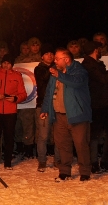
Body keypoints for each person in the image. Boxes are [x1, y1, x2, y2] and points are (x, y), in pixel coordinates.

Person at [40, 48, 93, 181]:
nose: (54, 60)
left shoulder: (80, 71)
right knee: (62, 144)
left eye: (57, 58)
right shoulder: (55, 73)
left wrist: (59, 75)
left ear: (67, 59)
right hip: (59, 116)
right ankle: (64, 170)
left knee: (81, 144)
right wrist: (45, 109)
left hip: (77, 115)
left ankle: (85, 171)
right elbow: (49, 92)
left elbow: (75, 82)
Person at [82, 41, 108, 173]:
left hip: (105, 104)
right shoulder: (89, 64)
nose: (101, 51)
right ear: (95, 50)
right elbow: (104, 79)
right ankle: (94, 163)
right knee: (95, 135)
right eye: (99, 49)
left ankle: (105, 161)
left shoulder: (96, 64)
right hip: (97, 105)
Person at [0, 54, 27, 169]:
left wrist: (15, 98)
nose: (6, 65)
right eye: (5, 62)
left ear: (12, 64)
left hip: (10, 111)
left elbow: (23, 94)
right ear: (2, 63)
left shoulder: (17, 76)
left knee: (9, 137)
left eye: (9, 63)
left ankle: (8, 162)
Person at [33, 48, 55, 171]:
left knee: (58, 135)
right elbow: (43, 82)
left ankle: (58, 160)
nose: (50, 55)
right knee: (43, 135)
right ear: (42, 57)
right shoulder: (39, 69)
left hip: (57, 105)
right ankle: (42, 160)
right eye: (47, 53)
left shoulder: (58, 67)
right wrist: (52, 70)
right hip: (43, 105)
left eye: (51, 53)